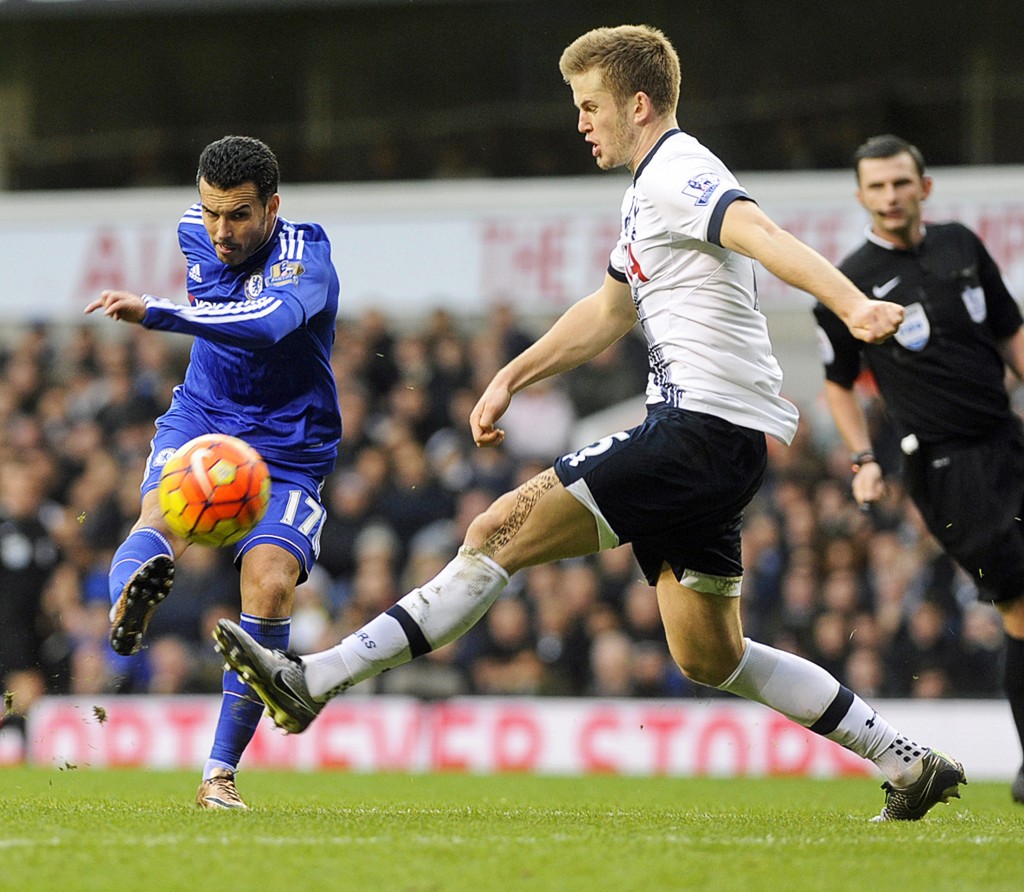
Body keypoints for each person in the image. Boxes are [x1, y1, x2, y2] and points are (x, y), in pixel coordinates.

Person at [214, 27, 965, 821]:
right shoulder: (647, 192)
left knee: (495, 531)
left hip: (697, 431)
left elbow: (761, 232)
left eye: (589, 105)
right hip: (718, 442)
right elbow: (608, 311)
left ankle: (313, 679)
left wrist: (851, 304)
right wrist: (511, 375)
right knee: (712, 655)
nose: (581, 122)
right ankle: (905, 762)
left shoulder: (681, 172)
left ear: (637, 105)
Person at [84, 135, 341, 809]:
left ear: (273, 207)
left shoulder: (307, 257)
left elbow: (265, 324)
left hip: (289, 448)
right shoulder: (191, 233)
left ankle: (218, 776)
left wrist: (158, 312)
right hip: (203, 419)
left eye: (239, 216)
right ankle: (127, 607)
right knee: (155, 521)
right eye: (211, 213)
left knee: (271, 584)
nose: (221, 232)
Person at [813, 133, 1024, 804]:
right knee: (1021, 605)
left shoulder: (962, 245)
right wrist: (862, 458)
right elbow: (838, 383)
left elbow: (1010, 331)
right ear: (860, 197)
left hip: (1007, 437)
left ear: (924, 187)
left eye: (901, 183)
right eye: (876, 187)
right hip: (945, 467)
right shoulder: (846, 284)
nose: (891, 196)